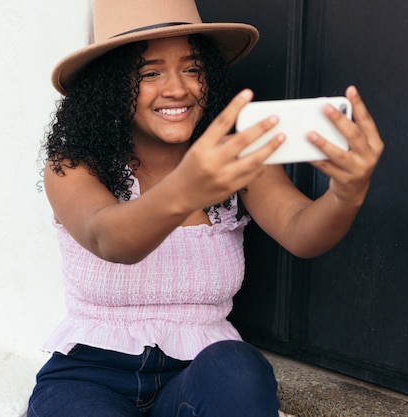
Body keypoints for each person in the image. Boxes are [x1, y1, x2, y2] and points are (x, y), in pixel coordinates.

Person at [28, 0, 383, 416]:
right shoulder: (74, 166)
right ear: (108, 85)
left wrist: (347, 191)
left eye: (193, 68)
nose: (178, 88)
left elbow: (302, 231)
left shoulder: (236, 159)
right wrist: (188, 188)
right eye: (150, 72)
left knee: (240, 369)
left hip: (199, 374)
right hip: (90, 376)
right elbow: (111, 239)